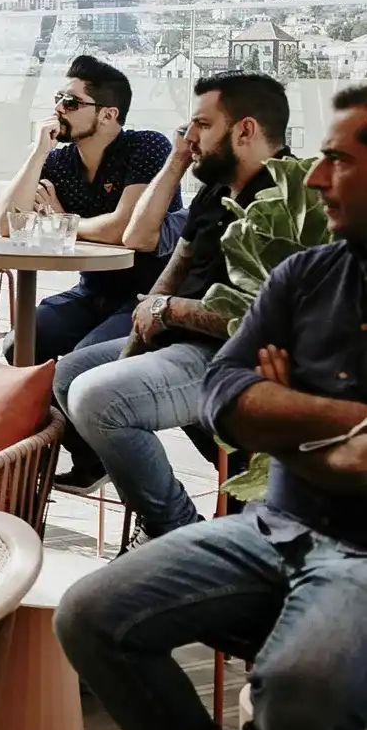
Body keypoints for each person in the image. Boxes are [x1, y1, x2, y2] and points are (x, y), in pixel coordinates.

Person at [55, 85, 367, 730]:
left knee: (295, 702)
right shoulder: (306, 274)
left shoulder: (278, 217)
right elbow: (228, 395)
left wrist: (287, 420)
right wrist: (345, 428)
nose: (317, 177)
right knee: (89, 614)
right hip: (271, 523)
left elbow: (243, 395)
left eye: (339, 161)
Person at [49, 72, 288, 542]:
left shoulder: (287, 200)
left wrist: (169, 312)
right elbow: (174, 269)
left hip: (230, 357)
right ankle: (175, 518)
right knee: (69, 374)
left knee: (96, 398)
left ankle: (171, 531)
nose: (189, 137)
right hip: (179, 342)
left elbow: (263, 319)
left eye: (201, 125)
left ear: (244, 130)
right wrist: (140, 335)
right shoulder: (217, 190)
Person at [0, 55, 179, 361]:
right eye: (58, 99)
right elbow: (5, 225)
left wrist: (61, 221)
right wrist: (38, 153)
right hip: (92, 291)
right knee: (19, 345)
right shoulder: (59, 161)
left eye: (71, 102)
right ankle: (34, 408)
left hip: (148, 295)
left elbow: (124, 229)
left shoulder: (146, 146)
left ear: (108, 114)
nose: (58, 109)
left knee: (84, 358)